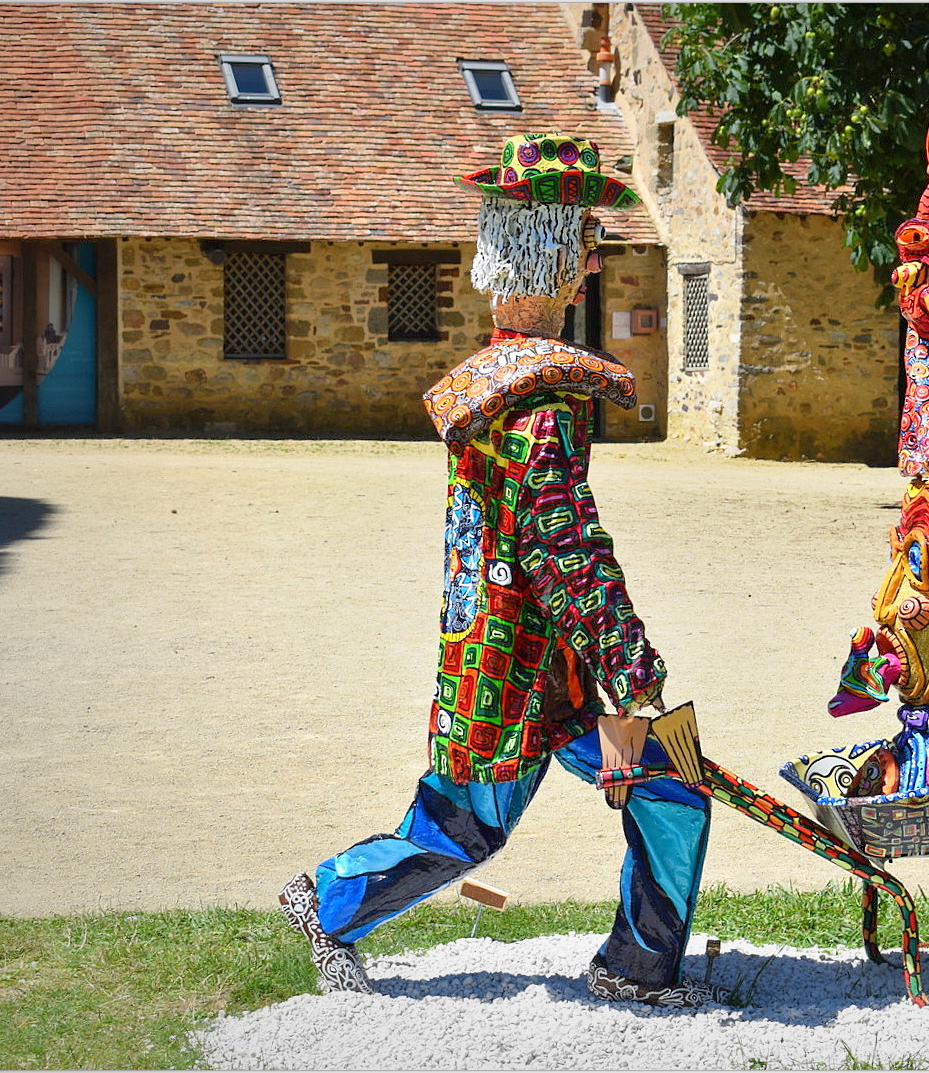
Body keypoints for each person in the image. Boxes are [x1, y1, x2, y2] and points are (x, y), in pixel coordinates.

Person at [279, 133, 721, 1008]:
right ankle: (333, 905)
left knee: (489, 821)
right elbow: (567, 549)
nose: (592, 266)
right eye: (587, 247)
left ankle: (333, 904)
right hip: (521, 677)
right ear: (567, 261)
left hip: (501, 660)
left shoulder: (492, 382)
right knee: (562, 811)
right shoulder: (536, 403)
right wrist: (635, 691)